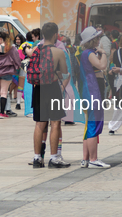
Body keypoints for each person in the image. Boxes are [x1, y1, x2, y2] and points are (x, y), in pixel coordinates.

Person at [31, 22, 70, 169]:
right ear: (55, 35)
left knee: (39, 124)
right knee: (55, 123)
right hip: (53, 88)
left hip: (38, 89)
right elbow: (64, 73)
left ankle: (37, 157)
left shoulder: (36, 50)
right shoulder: (58, 52)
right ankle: (54, 158)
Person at [78, 27, 110, 169]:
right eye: (97, 38)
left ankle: (86, 158)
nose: (99, 40)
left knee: (89, 125)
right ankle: (93, 159)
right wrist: (104, 53)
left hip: (87, 90)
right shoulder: (89, 53)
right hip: (92, 91)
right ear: (92, 40)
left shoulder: (85, 53)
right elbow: (102, 66)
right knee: (93, 125)